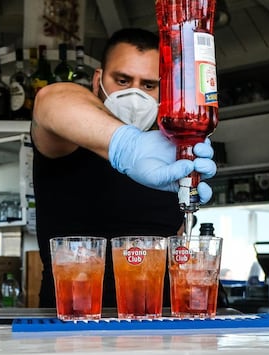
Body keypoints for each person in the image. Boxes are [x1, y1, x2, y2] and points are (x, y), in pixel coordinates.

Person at [31, 28, 217, 308]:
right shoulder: (66, 140)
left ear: (163, 91)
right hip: (71, 325)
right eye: (122, 80)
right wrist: (127, 146)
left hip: (158, 325)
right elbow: (50, 100)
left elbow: (181, 243)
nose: (134, 95)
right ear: (98, 80)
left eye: (148, 85)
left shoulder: (169, 156)